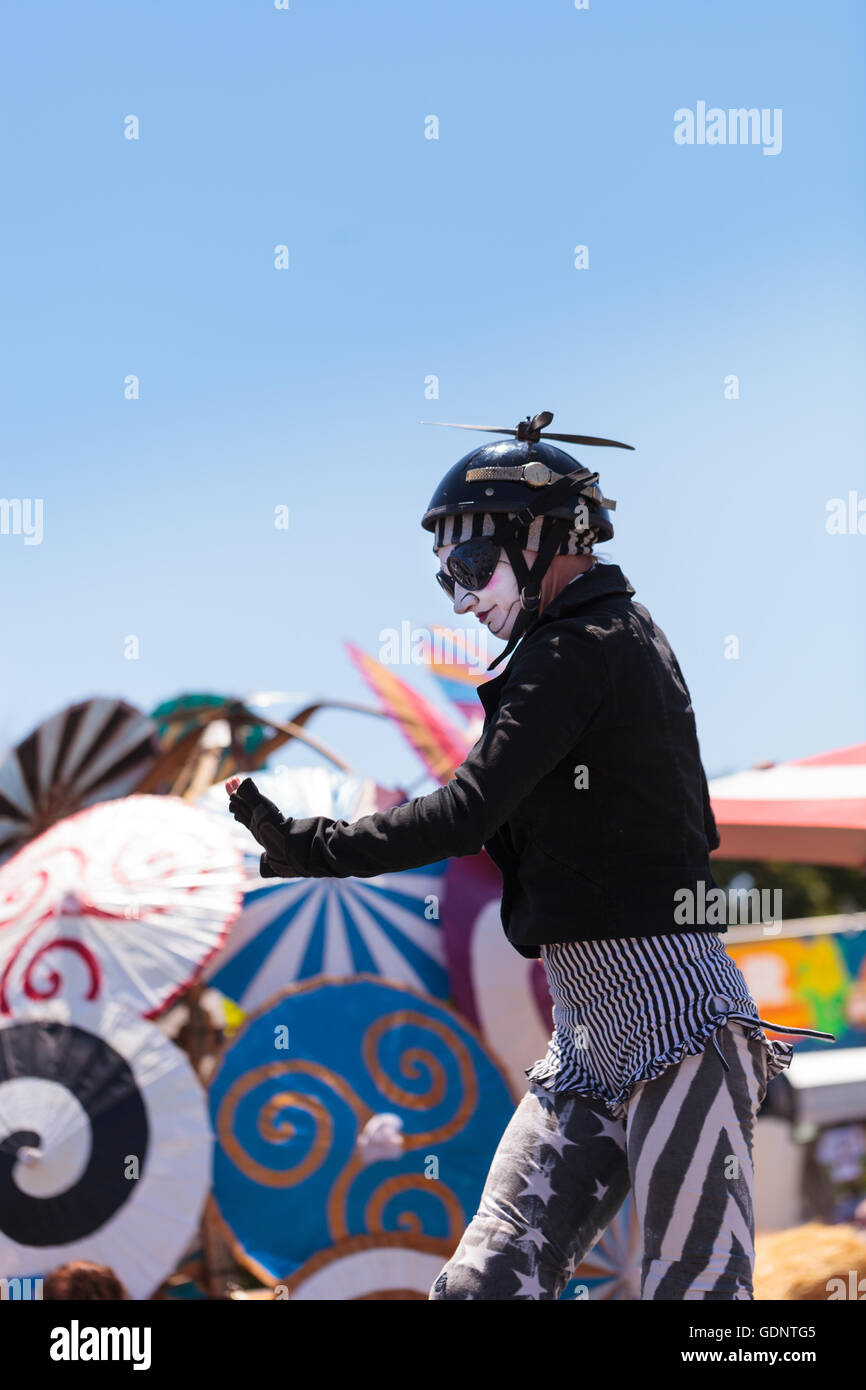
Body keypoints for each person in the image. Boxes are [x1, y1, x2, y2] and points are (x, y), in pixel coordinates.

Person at [226, 410, 834, 1300]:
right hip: (589, 1040)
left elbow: (468, 812)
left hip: (681, 1029)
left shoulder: (581, 647)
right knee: (479, 1287)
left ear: (544, 537)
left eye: (471, 566)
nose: (464, 597)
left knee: (697, 1302)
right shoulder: (598, 643)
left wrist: (313, 847)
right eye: (447, 578)